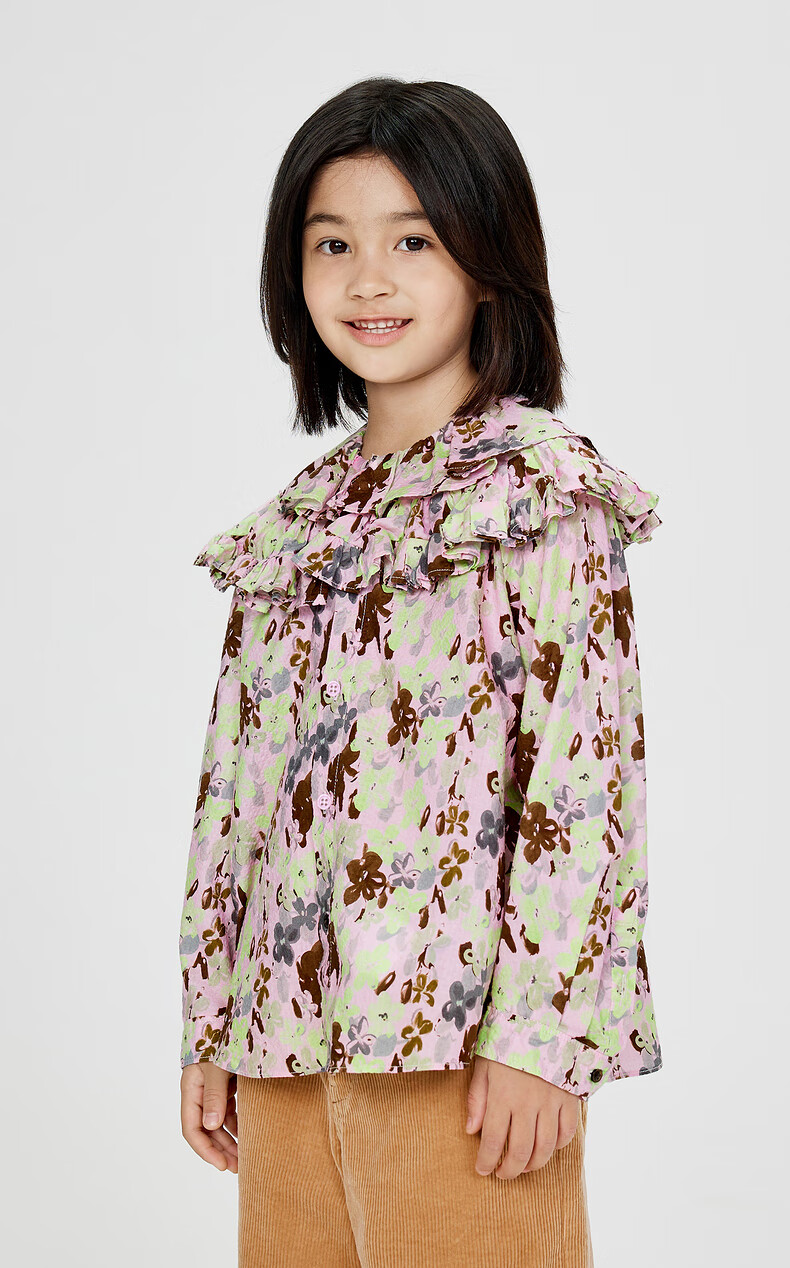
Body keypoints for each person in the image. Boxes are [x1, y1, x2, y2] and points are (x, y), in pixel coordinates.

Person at [178, 75, 664, 1268]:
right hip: (285, 1045)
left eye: (412, 240)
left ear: (487, 262)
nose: (367, 280)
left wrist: (542, 1035)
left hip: (463, 1055)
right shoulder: (295, 524)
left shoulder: (538, 490)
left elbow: (584, 776)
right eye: (331, 243)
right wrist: (212, 1018)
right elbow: (237, 789)